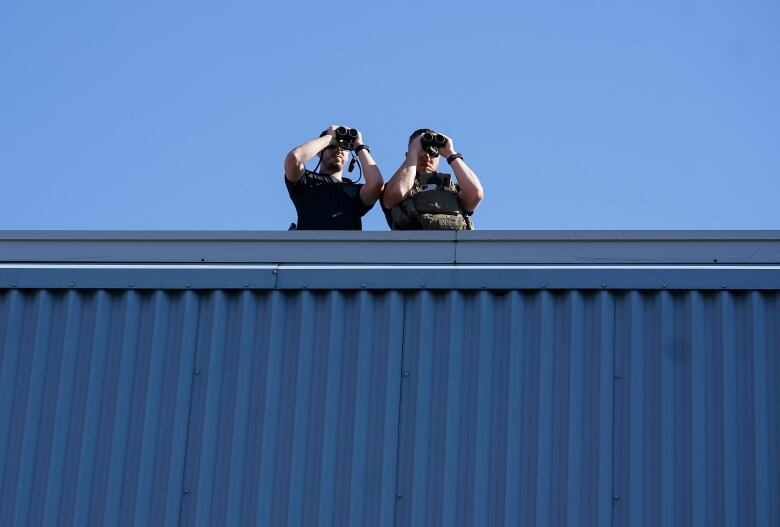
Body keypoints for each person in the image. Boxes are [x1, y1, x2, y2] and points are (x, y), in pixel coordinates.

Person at [284, 124, 383, 230]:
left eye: (344, 146)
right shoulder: (305, 181)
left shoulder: (355, 192)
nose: (338, 150)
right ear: (318, 152)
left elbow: (376, 183)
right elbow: (294, 158)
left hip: (346, 246)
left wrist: (359, 146)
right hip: (312, 245)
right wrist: (329, 138)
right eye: (332, 146)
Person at [381, 128, 483, 230]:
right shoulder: (395, 186)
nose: (427, 157)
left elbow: (475, 195)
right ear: (408, 155)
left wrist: (451, 154)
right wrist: (414, 151)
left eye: (433, 153)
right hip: (414, 244)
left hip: (453, 245)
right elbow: (396, 193)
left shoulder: (454, 189)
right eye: (422, 151)